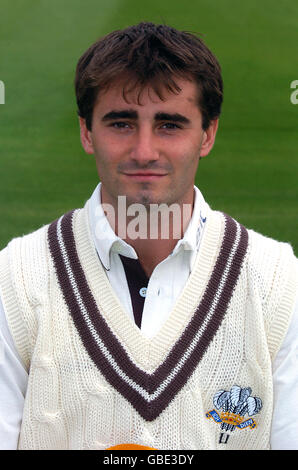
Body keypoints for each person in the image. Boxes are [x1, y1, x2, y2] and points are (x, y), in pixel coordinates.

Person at [0, 22, 297, 451]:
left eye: (169, 125)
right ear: (86, 132)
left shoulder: (277, 283)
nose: (144, 151)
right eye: (121, 123)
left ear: (208, 134)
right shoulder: (15, 278)